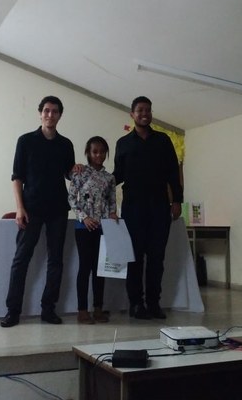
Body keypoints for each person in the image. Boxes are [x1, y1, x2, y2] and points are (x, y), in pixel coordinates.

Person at [1, 96, 75, 328]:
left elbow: (70, 174)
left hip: (58, 209)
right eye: (46, 110)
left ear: (60, 115)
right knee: (21, 259)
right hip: (31, 209)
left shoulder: (66, 144)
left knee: (56, 261)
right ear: (40, 113)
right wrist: (19, 208)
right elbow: (17, 177)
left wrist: (78, 170)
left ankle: (48, 309)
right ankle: (13, 311)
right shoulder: (25, 141)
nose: (50, 115)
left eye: (55, 111)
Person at [113, 96, 183, 319]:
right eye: (140, 110)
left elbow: (173, 173)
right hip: (133, 208)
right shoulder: (123, 143)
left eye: (148, 110)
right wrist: (96, 177)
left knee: (156, 257)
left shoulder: (163, 140)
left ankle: (154, 303)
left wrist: (177, 201)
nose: (145, 114)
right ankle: (136, 304)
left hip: (159, 207)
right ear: (132, 114)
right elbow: (118, 175)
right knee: (134, 257)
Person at [68, 136, 118, 324]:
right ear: (88, 153)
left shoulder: (109, 177)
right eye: (95, 151)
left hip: (103, 228)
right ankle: (82, 311)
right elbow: (71, 199)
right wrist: (84, 217)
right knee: (85, 267)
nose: (99, 155)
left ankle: (98, 309)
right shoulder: (79, 173)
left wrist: (112, 213)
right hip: (83, 227)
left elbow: (111, 200)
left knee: (100, 269)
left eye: (102, 151)